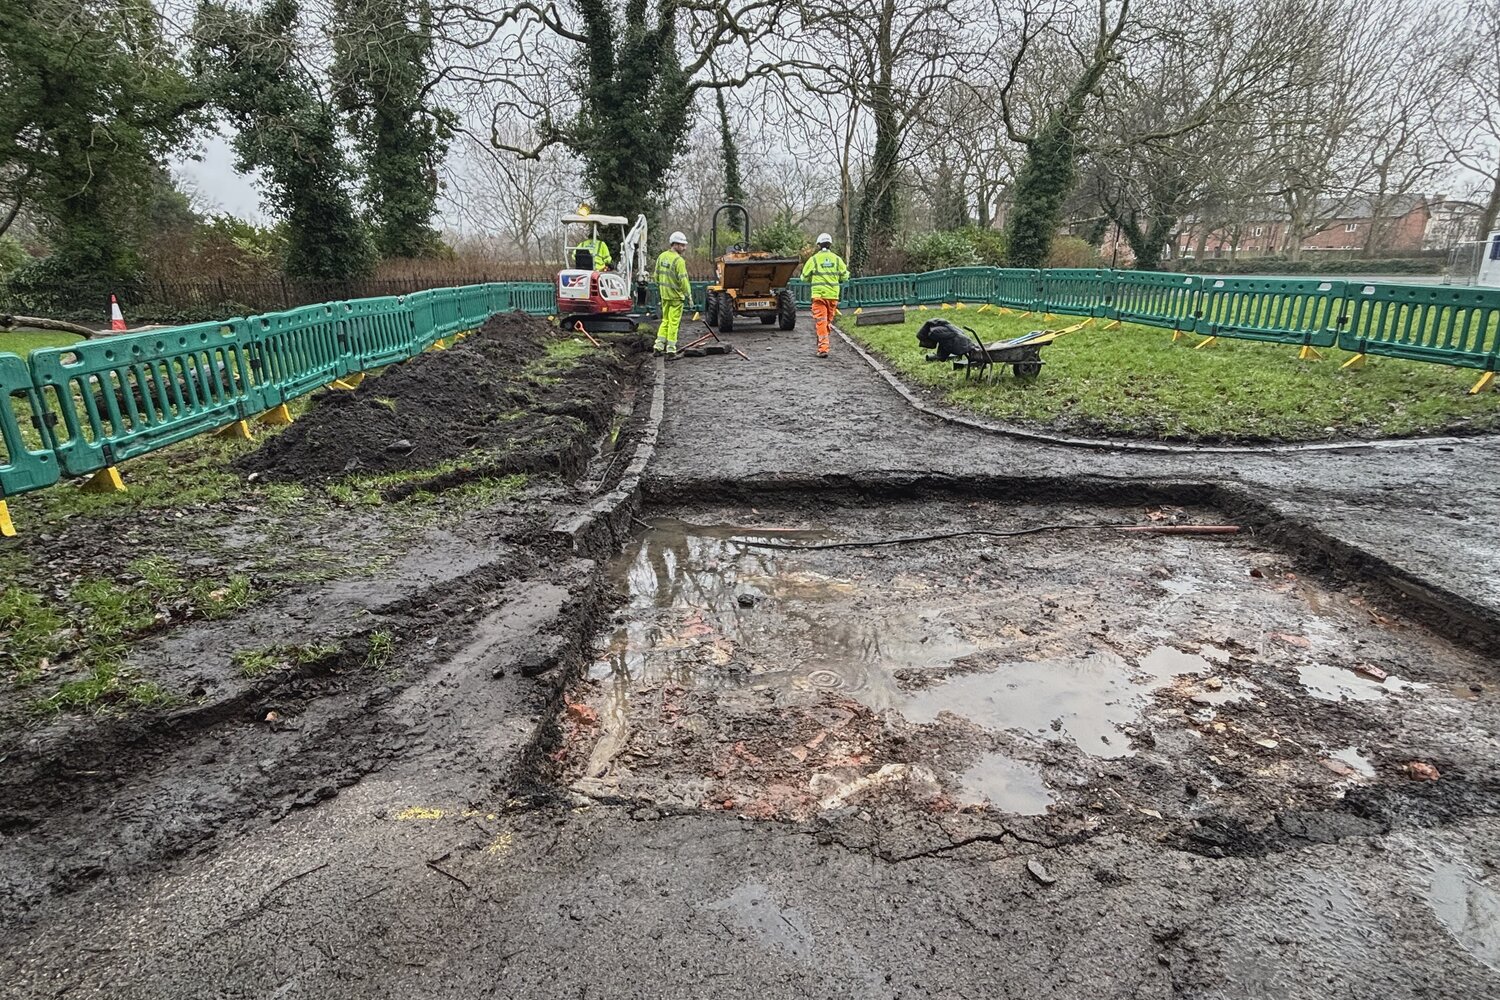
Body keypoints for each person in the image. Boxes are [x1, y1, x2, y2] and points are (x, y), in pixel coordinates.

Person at [801, 233, 849, 358]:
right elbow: (845, 276)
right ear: (830, 245)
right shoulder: (837, 259)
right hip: (833, 296)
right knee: (827, 322)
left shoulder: (814, 259)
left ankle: (823, 348)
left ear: (819, 245)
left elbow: (803, 278)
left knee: (821, 322)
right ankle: (823, 344)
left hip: (819, 296)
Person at [653, 231, 692, 354]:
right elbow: (683, 280)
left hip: (665, 295)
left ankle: (658, 346)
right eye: (682, 245)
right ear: (675, 244)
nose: (684, 248)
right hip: (676, 297)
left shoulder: (662, 256)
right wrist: (689, 295)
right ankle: (671, 349)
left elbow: (656, 276)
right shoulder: (678, 261)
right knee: (673, 323)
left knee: (665, 321)